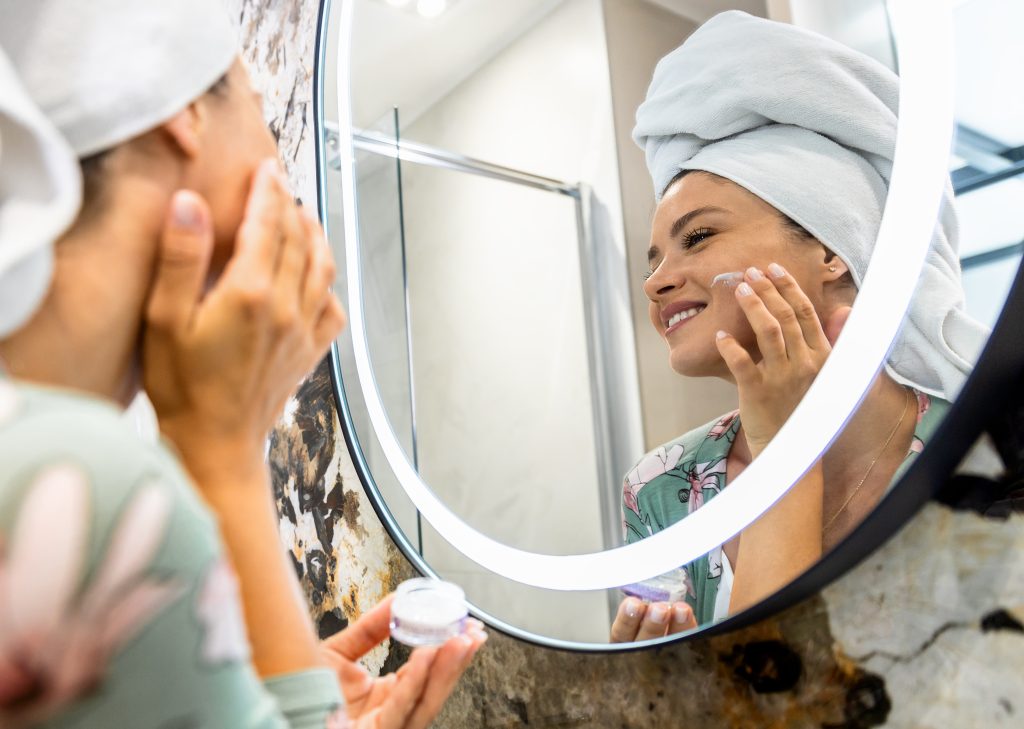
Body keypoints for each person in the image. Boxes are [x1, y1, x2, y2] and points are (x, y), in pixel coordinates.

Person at [0, 1, 484, 726]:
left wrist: (252, 684)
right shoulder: (77, 479)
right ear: (183, 116)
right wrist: (219, 451)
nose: (283, 163)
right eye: (258, 105)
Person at [609, 11, 988, 643]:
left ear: (834, 244)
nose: (656, 282)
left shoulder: (986, 443)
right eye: (654, 263)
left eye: (697, 237)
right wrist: (652, 693)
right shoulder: (658, 489)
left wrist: (787, 438)